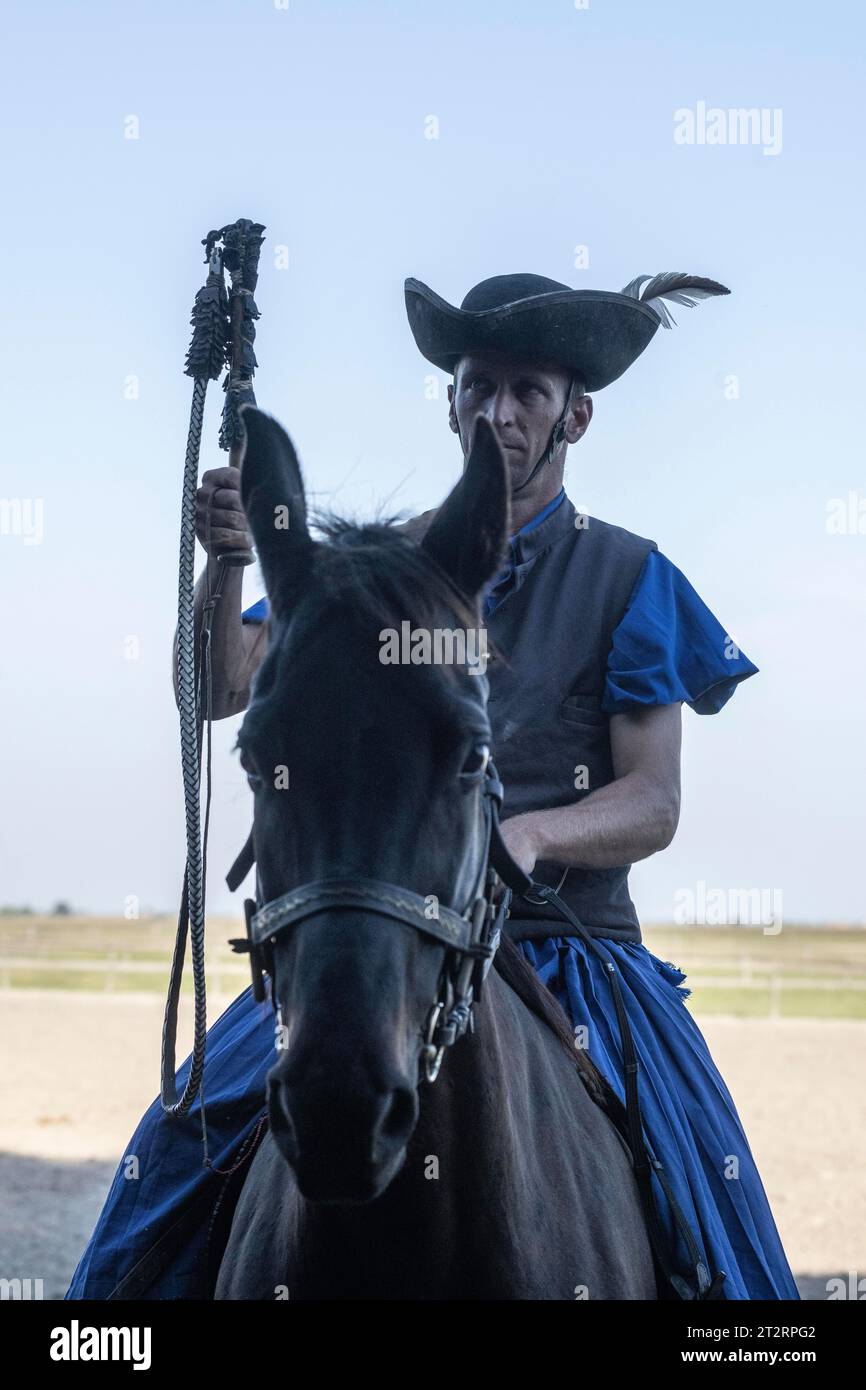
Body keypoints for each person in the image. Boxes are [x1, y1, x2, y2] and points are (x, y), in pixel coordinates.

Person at [67, 271, 799, 1300]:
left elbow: (652, 802)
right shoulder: (368, 570)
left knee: (721, 1230)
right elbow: (222, 690)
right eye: (476, 384)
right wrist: (227, 563)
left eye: (526, 391)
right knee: (165, 1179)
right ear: (448, 399)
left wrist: (531, 837)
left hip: (566, 947)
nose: (497, 411)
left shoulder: (628, 577)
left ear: (573, 416)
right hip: (380, 934)